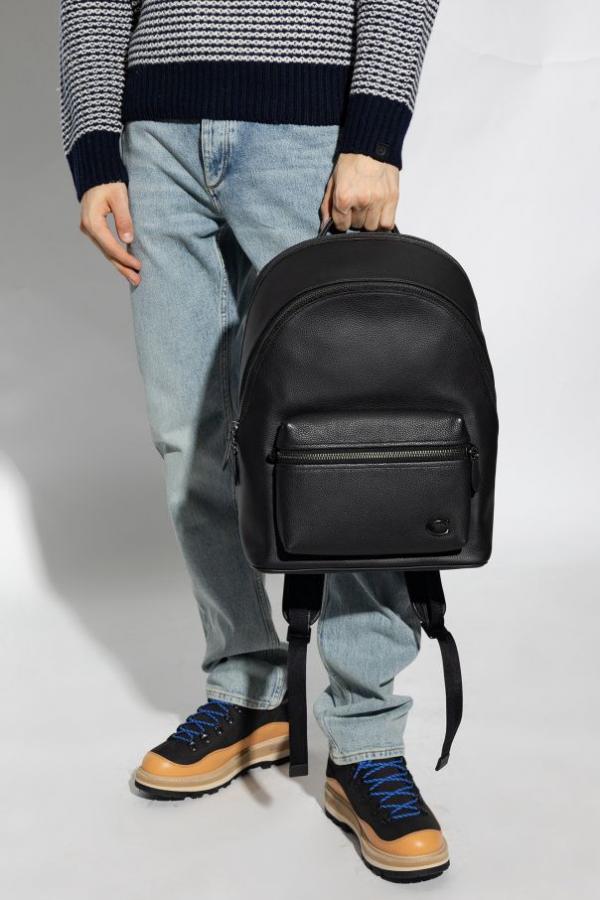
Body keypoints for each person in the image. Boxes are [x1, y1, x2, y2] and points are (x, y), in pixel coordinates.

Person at [59, 0, 448, 883]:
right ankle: (248, 689)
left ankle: (366, 738)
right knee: (189, 439)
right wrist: (94, 148)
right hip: (155, 140)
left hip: (308, 131)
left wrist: (374, 133)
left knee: (343, 444)